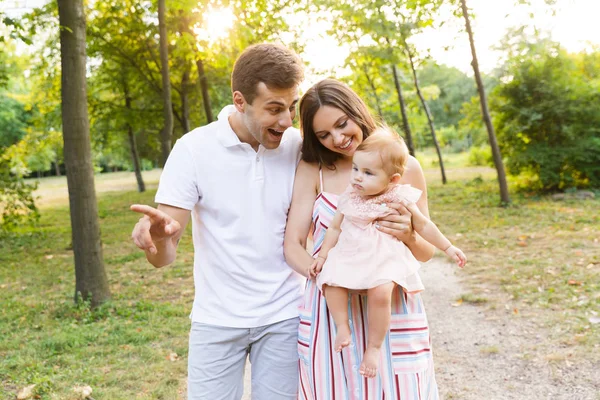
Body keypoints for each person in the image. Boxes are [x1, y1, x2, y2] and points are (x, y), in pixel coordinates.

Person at [130, 43, 305, 400]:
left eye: (292, 107)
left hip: (286, 315)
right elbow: (163, 257)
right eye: (274, 109)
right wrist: (160, 239)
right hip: (217, 320)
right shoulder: (193, 150)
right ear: (240, 101)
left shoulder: (298, 146)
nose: (287, 121)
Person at [284, 79, 441, 399]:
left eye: (342, 124)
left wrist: (410, 235)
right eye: (324, 135)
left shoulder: (404, 166)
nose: (338, 139)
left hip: (391, 310)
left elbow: (426, 253)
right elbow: (292, 245)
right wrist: (319, 269)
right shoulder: (314, 169)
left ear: (357, 112)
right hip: (332, 315)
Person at [309, 130, 466, 378]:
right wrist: (322, 256)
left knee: (381, 293)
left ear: (392, 179)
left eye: (368, 173)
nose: (358, 177)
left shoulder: (399, 196)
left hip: (383, 257)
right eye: (356, 169)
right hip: (350, 253)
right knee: (330, 282)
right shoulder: (350, 195)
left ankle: (373, 347)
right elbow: (335, 228)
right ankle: (342, 327)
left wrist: (448, 247)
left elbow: (424, 226)